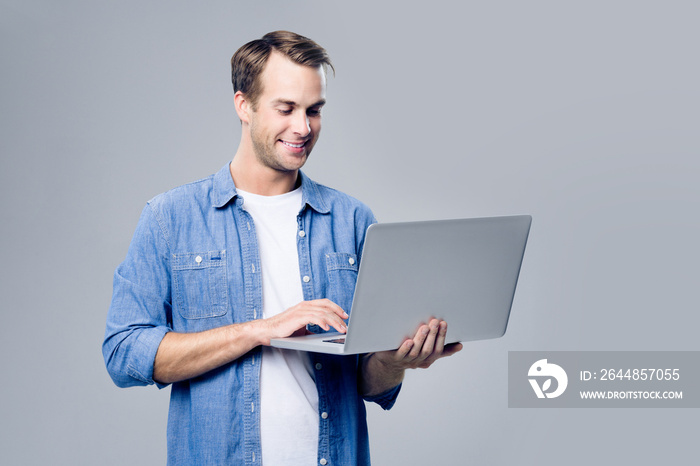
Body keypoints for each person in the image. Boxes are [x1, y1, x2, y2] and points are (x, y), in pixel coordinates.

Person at [103, 30, 462, 465]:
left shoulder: (352, 221)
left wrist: (394, 360)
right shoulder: (171, 218)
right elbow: (124, 353)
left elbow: (368, 384)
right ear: (244, 106)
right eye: (286, 108)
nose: (303, 127)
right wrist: (262, 329)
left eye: (314, 110)